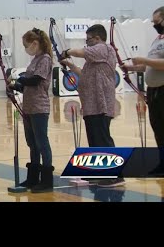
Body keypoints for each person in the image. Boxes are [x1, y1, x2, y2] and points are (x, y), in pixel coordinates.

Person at [60, 24, 125, 187]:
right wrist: (70, 66)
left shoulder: (105, 49)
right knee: (95, 141)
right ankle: (99, 174)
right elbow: (85, 75)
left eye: (88, 39)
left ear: (97, 38)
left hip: (101, 104)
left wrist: (67, 51)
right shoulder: (94, 59)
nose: (86, 43)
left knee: (103, 140)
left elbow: (82, 52)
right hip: (90, 104)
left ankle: (115, 176)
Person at [8, 28, 54, 193]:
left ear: (35, 43)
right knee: (32, 144)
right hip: (29, 106)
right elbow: (29, 85)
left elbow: (36, 81)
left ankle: (47, 180)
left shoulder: (45, 59)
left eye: (26, 45)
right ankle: (33, 178)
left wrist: (21, 79)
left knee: (42, 143)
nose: (25, 48)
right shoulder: (35, 59)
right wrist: (16, 86)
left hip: (39, 108)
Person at [124, 6, 164, 174]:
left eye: (157, 22)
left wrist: (144, 60)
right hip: (154, 91)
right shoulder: (158, 40)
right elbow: (149, 66)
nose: (155, 25)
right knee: (158, 128)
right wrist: (131, 68)